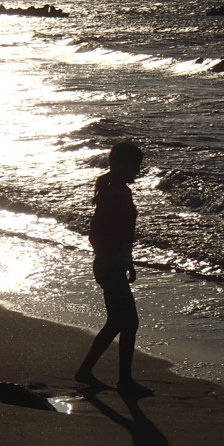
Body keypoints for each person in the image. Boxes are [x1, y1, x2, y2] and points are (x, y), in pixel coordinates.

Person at [75, 141, 153, 396]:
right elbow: (95, 233)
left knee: (120, 322)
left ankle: (91, 371)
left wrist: (128, 263)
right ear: (120, 165)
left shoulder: (124, 191)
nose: (137, 171)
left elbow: (124, 234)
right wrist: (109, 260)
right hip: (107, 265)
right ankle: (123, 380)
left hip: (116, 264)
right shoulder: (109, 193)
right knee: (127, 322)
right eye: (135, 166)